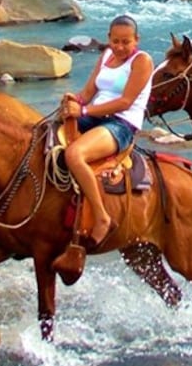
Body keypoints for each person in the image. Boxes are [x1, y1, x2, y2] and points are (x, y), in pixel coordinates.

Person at [52, 15, 154, 281]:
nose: (120, 47)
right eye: (116, 40)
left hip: (121, 124)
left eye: (126, 42)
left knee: (75, 155)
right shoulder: (106, 55)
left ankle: (101, 216)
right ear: (108, 38)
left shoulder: (141, 61)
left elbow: (125, 101)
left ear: (137, 40)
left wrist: (83, 109)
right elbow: (87, 92)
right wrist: (73, 100)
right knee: (45, 137)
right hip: (94, 114)